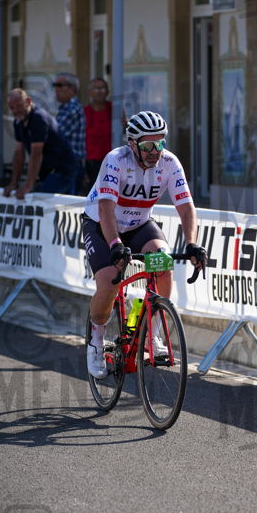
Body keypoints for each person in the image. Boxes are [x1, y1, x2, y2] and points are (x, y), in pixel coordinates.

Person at [82, 110, 206, 378]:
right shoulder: (115, 160)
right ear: (132, 144)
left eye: (160, 144)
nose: (155, 151)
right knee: (108, 282)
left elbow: (186, 208)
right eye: (148, 145)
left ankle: (154, 334)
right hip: (102, 224)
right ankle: (96, 340)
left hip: (138, 224)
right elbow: (105, 208)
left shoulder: (170, 163)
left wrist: (192, 243)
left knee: (163, 260)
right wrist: (115, 243)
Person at [3, 88, 79, 199]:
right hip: (51, 171)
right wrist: (13, 183)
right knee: (64, 209)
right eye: (12, 108)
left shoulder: (38, 118)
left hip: (62, 169)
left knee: (43, 204)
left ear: (28, 101)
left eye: (18, 105)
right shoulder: (18, 122)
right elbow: (19, 153)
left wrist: (27, 188)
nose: (15, 111)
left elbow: (36, 155)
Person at [53, 72, 86, 194]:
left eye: (59, 85)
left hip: (69, 167)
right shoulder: (66, 108)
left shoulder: (71, 110)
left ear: (72, 88)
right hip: (71, 166)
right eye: (54, 85)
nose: (56, 89)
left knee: (59, 208)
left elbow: (51, 138)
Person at [83, 77, 116, 194]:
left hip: (112, 163)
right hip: (91, 165)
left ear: (107, 92)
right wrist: (82, 170)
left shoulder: (115, 110)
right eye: (96, 88)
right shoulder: (83, 113)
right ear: (89, 93)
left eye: (102, 88)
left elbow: (128, 134)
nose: (99, 91)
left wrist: (126, 125)